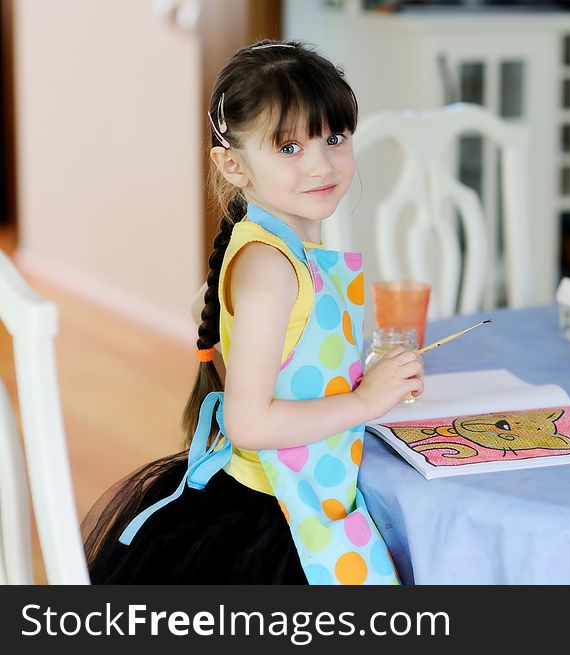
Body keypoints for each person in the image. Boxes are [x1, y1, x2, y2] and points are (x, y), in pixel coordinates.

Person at [83, 39, 424, 585]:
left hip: (308, 493)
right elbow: (248, 422)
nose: (321, 164)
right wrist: (366, 399)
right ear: (232, 165)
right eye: (289, 148)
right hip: (278, 512)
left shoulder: (274, 248)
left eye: (333, 138)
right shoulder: (270, 268)